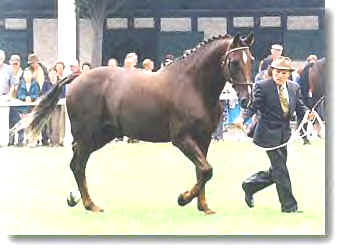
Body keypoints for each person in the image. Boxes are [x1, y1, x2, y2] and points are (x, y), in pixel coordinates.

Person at [235, 56, 313, 213]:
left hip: (284, 135)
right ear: (272, 71)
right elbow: (253, 106)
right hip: (267, 134)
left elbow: (300, 106)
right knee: (281, 170)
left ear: (288, 74)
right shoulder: (262, 86)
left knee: (277, 170)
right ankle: (289, 207)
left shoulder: (294, 87)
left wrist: (307, 114)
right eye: (277, 72)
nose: (280, 75)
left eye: (284, 73)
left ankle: (250, 185)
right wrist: (241, 118)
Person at [16, 69, 41, 146]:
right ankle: (22, 140)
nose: (27, 77)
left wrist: (31, 98)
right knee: (23, 124)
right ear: (23, 76)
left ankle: (34, 140)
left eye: (29, 75)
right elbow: (19, 94)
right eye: (26, 75)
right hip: (23, 108)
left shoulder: (35, 84)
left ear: (31, 75)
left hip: (33, 108)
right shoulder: (21, 84)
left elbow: (37, 93)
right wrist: (24, 98)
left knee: (33, 124)